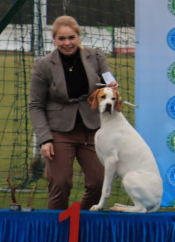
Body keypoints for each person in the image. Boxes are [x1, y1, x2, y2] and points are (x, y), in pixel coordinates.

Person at [29, 15, 117, 210]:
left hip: (93, 129)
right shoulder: (43, 65)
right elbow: (35, 105)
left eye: (71, 38)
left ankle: (79, 221)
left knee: (98, 182)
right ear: (54, 40)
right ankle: (56, 229)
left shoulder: (96, 56)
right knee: (60, 183)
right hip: (59, 132)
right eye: (61, 39)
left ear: (79, 37)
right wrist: (44, 139)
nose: (67, 43)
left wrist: (112, 86)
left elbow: (109, 84)